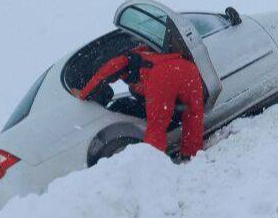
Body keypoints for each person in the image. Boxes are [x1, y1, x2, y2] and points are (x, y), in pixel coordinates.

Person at [72, 31, 205, 159]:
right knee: (194, 111)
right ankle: (191, 153)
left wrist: (83, 94)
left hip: (161, 75)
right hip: (187, 67)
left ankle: (152, 163)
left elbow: (102, 76)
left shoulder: (124, 60)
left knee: (157, 125)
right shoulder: (147, 50)